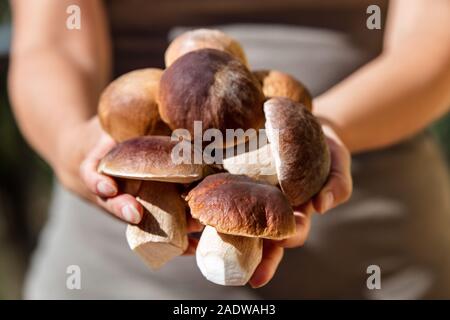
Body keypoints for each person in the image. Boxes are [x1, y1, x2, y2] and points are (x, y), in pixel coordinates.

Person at [8, 0, 450, 299]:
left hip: (375, 266)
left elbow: (435, 44)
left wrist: (322, 128)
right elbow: (51, 42)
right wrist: (72, 143)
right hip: (113, 271)